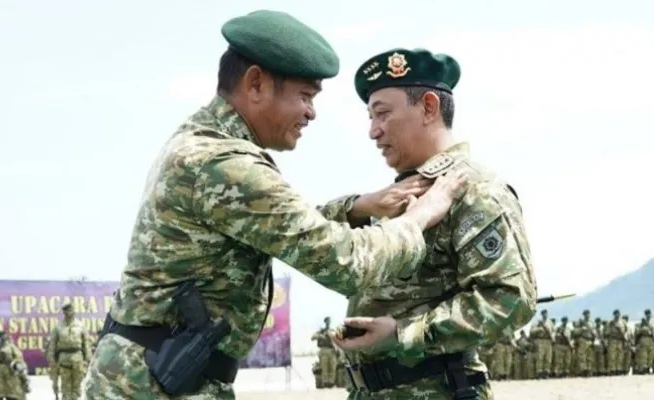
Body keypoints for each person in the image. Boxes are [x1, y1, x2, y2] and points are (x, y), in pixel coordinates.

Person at [80, 11, 467, 400]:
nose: (311, 112)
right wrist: (421, 215)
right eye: (304, 96)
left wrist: (356, 209)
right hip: (155, 383)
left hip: (157, 374)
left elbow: (270, 227)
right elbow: (345, 264)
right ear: (255, 84)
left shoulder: (205, 143)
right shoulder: (224, 164)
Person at [329, 48, 538, 399]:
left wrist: (402, 333)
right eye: (369, 117)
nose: (373, 131)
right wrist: (359, 207)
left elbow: (510, 299)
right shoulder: (394, 195)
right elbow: (307, 236)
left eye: (382, 114)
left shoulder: (473, 189)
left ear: (428, 107)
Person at [47, 303, 91, 400]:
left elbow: (86, 343)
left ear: (74, 312)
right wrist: (51, 359)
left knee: (77, 387)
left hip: (78, 360)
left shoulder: (81, 326)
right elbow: (52, 344)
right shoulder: (58, 327)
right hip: (64, 360)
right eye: (66, 311)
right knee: (65, 387)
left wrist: (88, 359)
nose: (67, 313)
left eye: (70, 311)